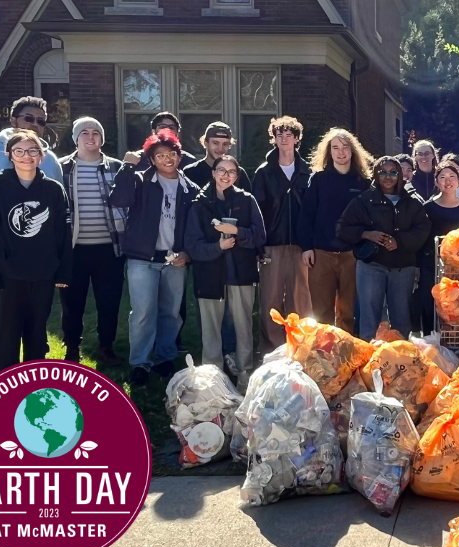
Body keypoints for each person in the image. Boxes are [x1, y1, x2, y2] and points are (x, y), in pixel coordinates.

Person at [0, 96, 64, 377]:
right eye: (29, 118)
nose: (35, 125)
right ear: (14, 120)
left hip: (37, 256)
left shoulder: (50, 159)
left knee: (35, 315)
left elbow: (58, 207)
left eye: (41, 121)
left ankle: (34, 365)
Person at [0, 130, 72, 371]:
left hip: (43, 273)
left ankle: (34, 384)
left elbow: (63, 233)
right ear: (10, 156)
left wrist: (63, 272)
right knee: (7, 333)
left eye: (32, 151)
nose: (26, 156)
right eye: (19, 151)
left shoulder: (53, 190)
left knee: (37, 332)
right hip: (8, 274)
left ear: (41, 156)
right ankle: (6, 382)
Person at [111, 129, 197, 386]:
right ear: (152, 160)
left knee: (171, 312)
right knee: (143, 312)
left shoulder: (189, 188)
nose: (167, 159)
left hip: (174, 260)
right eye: (160, 156)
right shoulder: (139, 181)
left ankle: (164, 357)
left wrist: (188, 254)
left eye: (172, 154)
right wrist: (127, 166)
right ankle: (140, 362)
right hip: (142, 259)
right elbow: (118, 198)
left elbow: (194, 227)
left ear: (179, 155)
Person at [184, 155, 266, 385]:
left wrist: (237, 231)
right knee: (211, 331)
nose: (225, 175)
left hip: (241, 273)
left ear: (237, 176)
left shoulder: (247, 200)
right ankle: (213, 379)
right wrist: (217, 247)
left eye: (231, 172)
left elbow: (260, 236)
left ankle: (245, 375)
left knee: (243, 327)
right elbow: (192, 244)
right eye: (221, 170)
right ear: (213, 172)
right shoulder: (200, 203)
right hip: (209, 275)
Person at [337, 156, 431, 340]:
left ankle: (400, 358)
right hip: (372, 265)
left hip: (403, 266)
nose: (388, 177)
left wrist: (399, 241)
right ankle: (367, 359)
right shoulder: (364, 200)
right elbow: (342, 228)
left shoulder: (412, 202)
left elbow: (423, 229)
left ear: (401, 175)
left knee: (401, 318)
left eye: (393, 172)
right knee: (369, 318)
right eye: (383, 172)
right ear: (376, 175)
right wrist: (366, 234)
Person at [58, 117, 126, 366]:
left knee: (109, 301)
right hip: (73, 250)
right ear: (76, 138)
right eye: (84, 132)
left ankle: (106, 347)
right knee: (72, 302)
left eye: (95, 132)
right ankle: (72, 348)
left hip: (109, 249)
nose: (90, 137)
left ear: (102, 138)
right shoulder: (60, 167)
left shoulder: (117, 167)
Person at [298, 128, 373, 332]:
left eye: (345, 147)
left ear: (353, 151)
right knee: (321, 313)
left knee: (348, 313)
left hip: (352, 255)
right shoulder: (319, 179)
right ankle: (324, 356)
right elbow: (306, 216)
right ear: (329, 152)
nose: (341, 152)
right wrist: (306, 247)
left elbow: (370, 220)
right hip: (321, 254)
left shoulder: (363, 182)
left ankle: (347, 357)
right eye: (336, 148)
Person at [252, 116, 313, 351]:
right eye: (279, 135)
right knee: (271, 301)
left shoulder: (308, 171)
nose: (284, 139)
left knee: (301, 300)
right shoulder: (264, 172)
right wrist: (258, 246)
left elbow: (313, 209)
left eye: (289, 135)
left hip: (301, 246)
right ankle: (272, 351)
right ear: (274, 139)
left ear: (297, 139)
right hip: (272, 245)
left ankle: (301, 350)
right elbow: (256, 212)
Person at [418, 158, 459, 334]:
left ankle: (456, 342)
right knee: (430, 304)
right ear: (436, 181)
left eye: (452, 176)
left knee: (457, 305)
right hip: (431, 264)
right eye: (442, 177)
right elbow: (422, 239)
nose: (448, 181)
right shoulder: (428, 208)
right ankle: (431, 341)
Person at [183, 122, 252, 192]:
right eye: (215, 143)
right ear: (205, 143)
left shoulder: (239, 173)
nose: (220, 149)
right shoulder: (190, 172)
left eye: (225, 144)